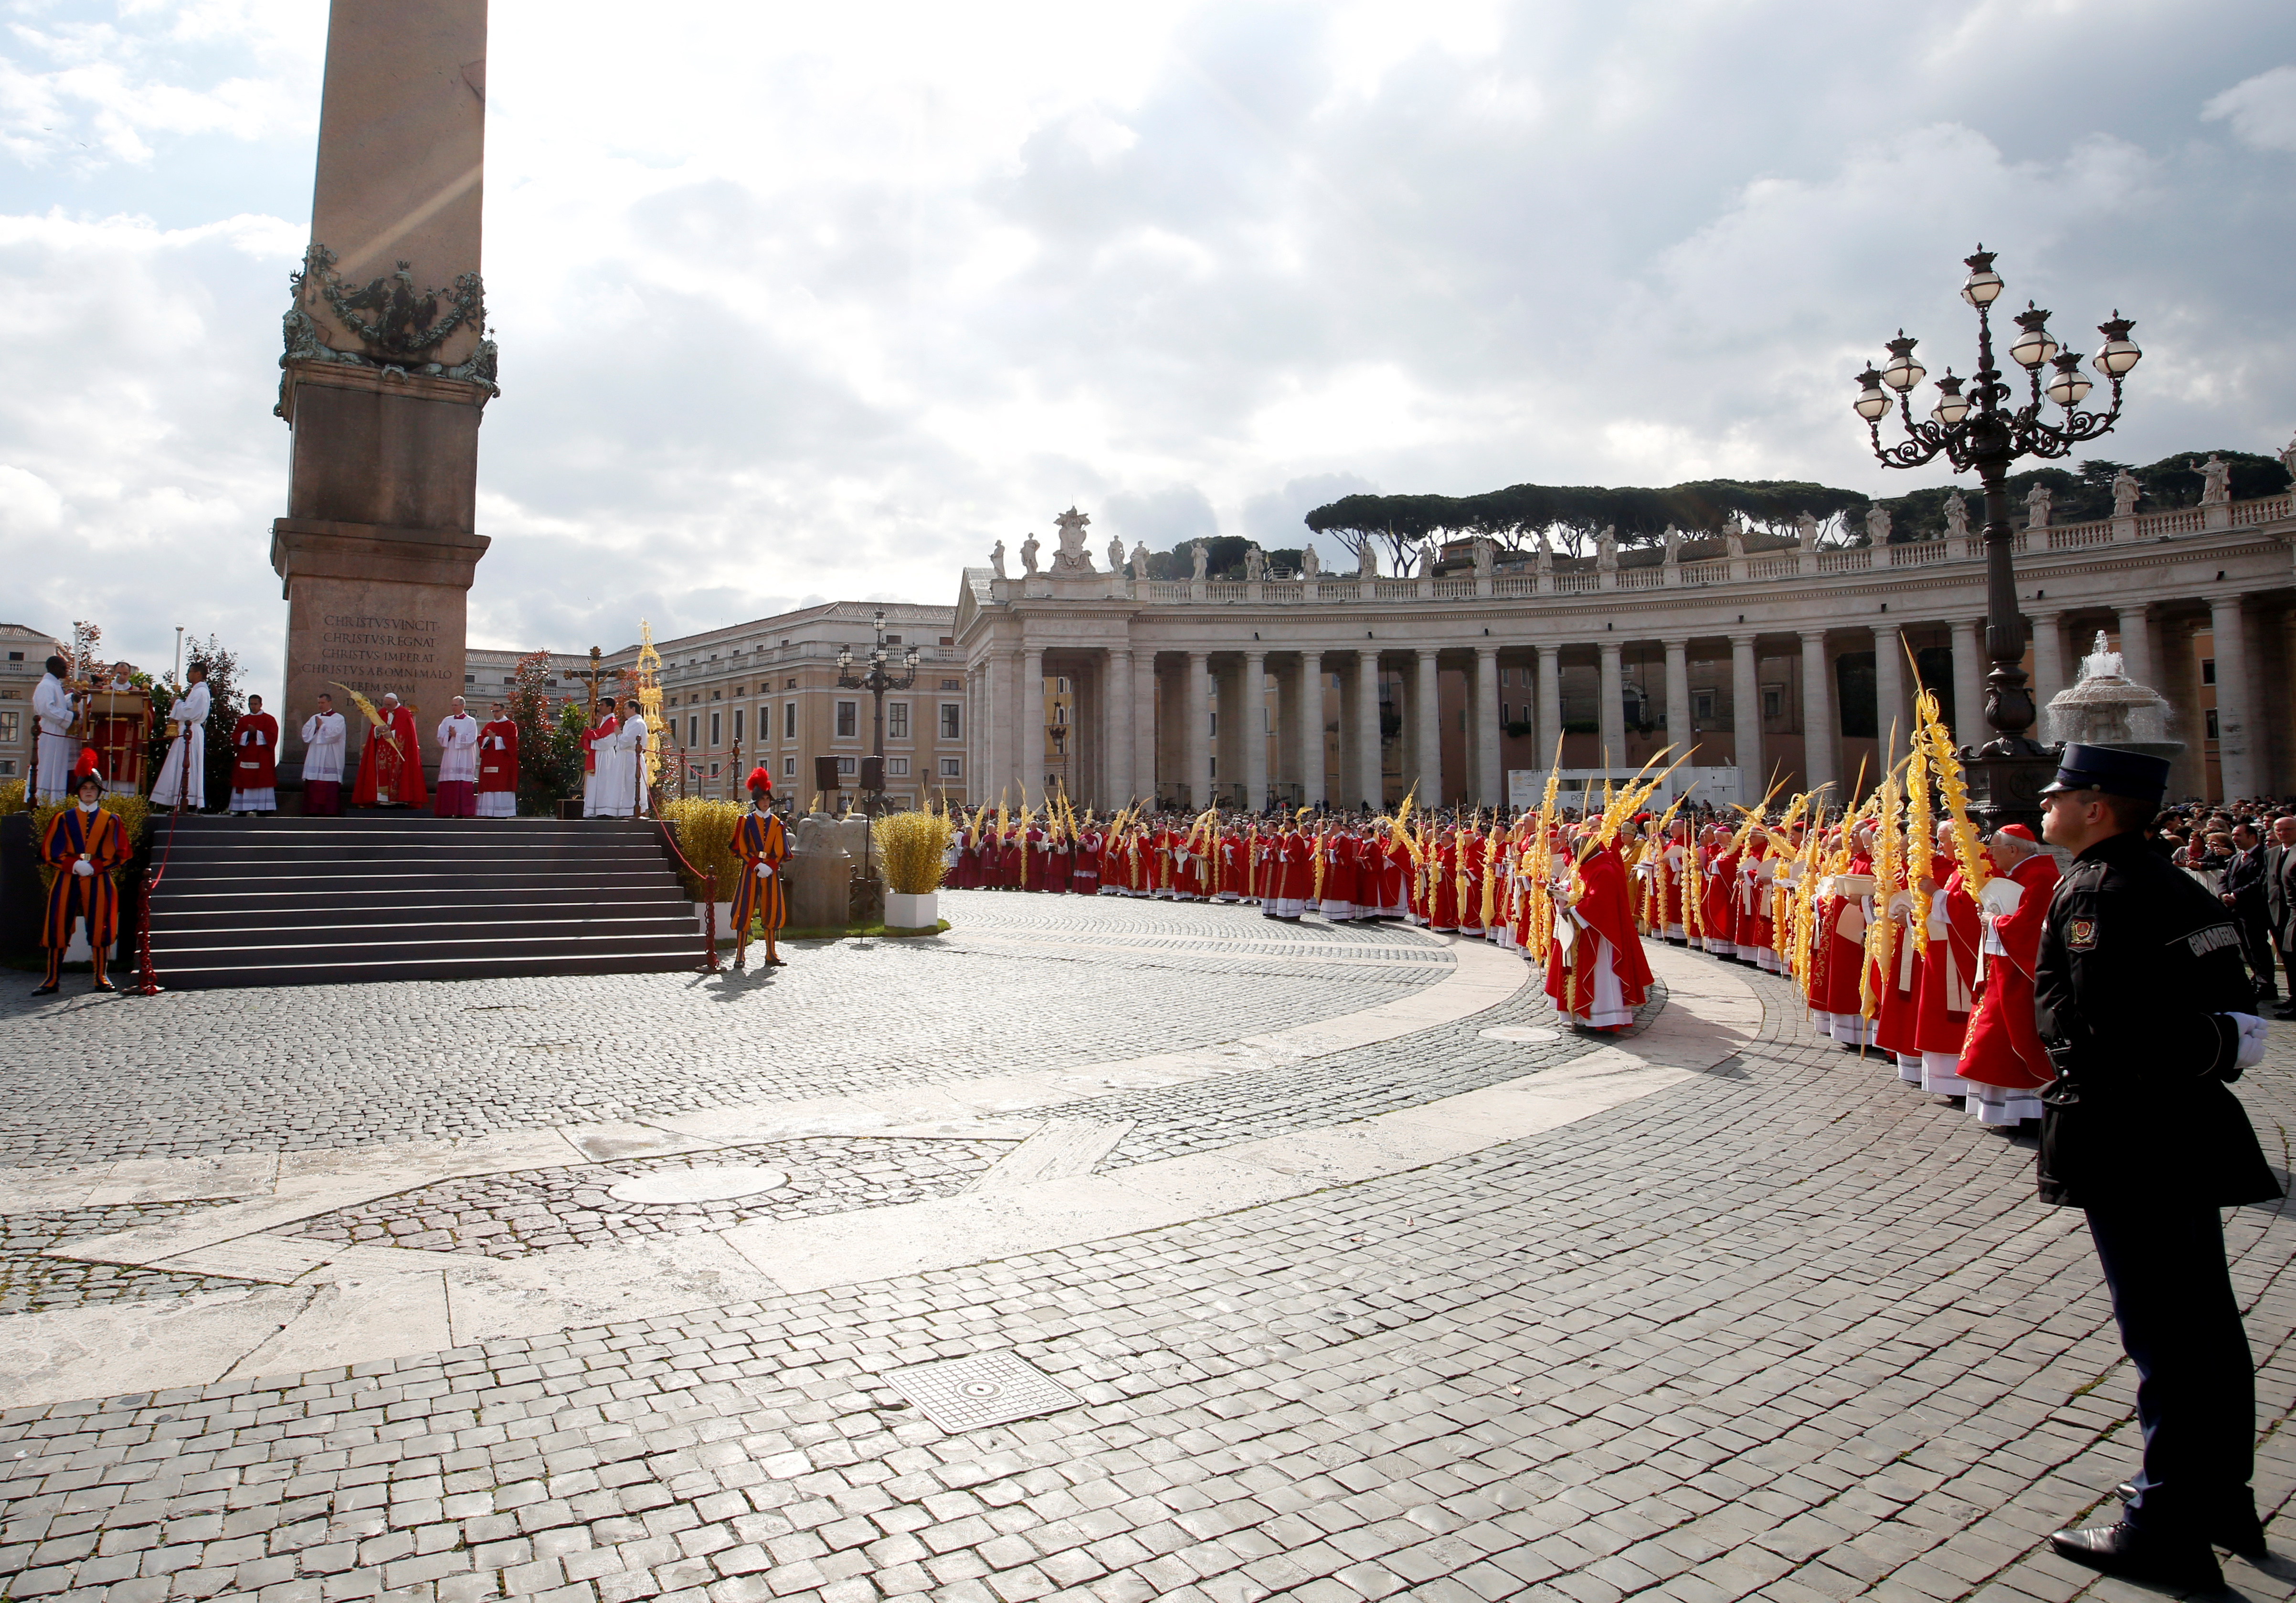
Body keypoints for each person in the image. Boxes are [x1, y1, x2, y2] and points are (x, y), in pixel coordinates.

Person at [2035, 744, 2278, 1590]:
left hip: (2127, 1137)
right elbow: (2233, 1008)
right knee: (2206, 1325)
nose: (2044, 801)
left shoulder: (2095, 891)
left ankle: (2164, 1520)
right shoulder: (2177, 884)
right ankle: (2220, 1497)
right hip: (2188, 1128)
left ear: (2096, 809)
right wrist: (2209, 1054)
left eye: (2058, 793)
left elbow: (2092, 1027)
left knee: (2164, 1337)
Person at [1956, 824, 2060, 1128]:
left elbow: (2029, 928)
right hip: (2004, 970)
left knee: (2015, 1039)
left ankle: (2027, 1111)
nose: (1991, 853)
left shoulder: (2040, 876)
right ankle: (2007, 1109)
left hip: (2021, 976)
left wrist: (1994, 921)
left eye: (1996, 847)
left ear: (2014, 850)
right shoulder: (2021, 875)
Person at [36, 769, 130, 994]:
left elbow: (120, 853)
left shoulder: (111, 820)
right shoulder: (63, 818)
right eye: (85, 788)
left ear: (99, 792)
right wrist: (73, 865)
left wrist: (95, 867)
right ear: (78, 792)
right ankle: (52, 979)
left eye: (93, 788)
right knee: (58, 923)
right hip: (67, 876)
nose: (89, 792)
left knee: (101, 925)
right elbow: (51, 851)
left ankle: (101, 976)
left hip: (98, 877)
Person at [730, 767, 789, 969]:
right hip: (751, 869)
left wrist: (771, 866)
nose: (766, 802)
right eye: (762, 799)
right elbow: (742, 849)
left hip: (770, 871)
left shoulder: (777, 823)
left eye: (768, 798)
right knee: (744, 909)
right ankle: (740, 954)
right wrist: (756, 865)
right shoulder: (745, 822)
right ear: (756, 801)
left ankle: (771, 953)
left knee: (771, 910)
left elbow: (781, 851)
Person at [351, 691, 427, 809]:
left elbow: (408, 733)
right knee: (383, 772)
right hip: (383, 749)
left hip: (398, 751)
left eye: (389, 705)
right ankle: (383, 800)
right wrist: (378, 730)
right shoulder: (382, 712)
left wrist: (392, 734)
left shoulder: (405, 713)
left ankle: (400, 800)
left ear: (396, 703)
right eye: (385, 704)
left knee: (398, 773)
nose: (387, 707)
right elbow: (374, 730)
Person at [152, 661, 211, 812]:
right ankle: (179, 800)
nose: (187, 674)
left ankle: (188, 801)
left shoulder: (201, 692)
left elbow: (190, 712)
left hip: (191, 733)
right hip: (185, 732)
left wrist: (177, 702)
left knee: (188, 765)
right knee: (180, 765)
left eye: (190, 671)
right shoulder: (196, 691)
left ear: (198, 674)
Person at [32, 654, 78, 804]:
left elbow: (59, 705)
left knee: (57, 766)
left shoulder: (55, 685)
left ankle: (55, 800)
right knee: (47, 765)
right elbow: (46, 709)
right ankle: (43, 801)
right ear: (53, 668)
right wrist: (70, 716)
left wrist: (72, 700)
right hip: (49, 733)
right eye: (63, 668)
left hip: (57, 733)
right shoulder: (46, 686)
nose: (66, 671)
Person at [227, 693, 280, 815]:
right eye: (251, 704)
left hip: (262, 757)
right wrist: (246, 735)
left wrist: (257, 733)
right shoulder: (244, 720)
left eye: (256, 704)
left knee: (262, 781)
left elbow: (272, 738)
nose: (253, 706)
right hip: (246, 755)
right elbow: (235, 736)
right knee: (243, 780)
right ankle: (242, 809)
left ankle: (263, 809)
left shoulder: (269, 719)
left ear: (261, 705)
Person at [300, 693, 348, 816]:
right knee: (314, 784)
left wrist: (322, 727)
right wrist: (316, 728)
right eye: (319, 703)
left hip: (331, 755)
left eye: (323, 703)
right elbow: (305, 733)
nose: (320, 705)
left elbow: (336, 735)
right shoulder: (314, 718)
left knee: (329, 786)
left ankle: (329, 812)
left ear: (330, 703)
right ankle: (312, 811)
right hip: (316, 754)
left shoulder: (339, 718)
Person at [434, 696, 480, 817]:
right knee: (449, 783)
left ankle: (462, 812)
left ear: (463, 706)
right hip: (450, 756)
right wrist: (449, 736)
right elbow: (440, 736)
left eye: (456, 705)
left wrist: (456, 735)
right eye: (452, 705)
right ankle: (447, 811)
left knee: (462, 785)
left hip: (465, 758)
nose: (453, 708)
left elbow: (472, 739)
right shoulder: (447, 720)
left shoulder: (471, 721)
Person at [476, 702, 519, 818]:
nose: (495, 714)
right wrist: (488, 739)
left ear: (504, 711)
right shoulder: (489, 726)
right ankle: (488, 813)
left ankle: (502, 813)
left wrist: (496, 739)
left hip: (503, 763)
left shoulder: (510, 726)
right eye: (493, 712)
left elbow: (512, 743)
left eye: (497, 711)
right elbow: (480, 738)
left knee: (502, 786)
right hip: (489, 762)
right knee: (489, 786)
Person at [581, 702, 618, 817]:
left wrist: (592, 742)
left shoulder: (612, 722)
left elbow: (608, 742)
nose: (600, 707)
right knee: (596, 783)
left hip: (606, 757)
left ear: (609, 708)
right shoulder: (605, 722)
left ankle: (604, 810)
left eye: (602, 705)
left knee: (604, 783)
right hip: (598, 756)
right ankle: (594, 810)